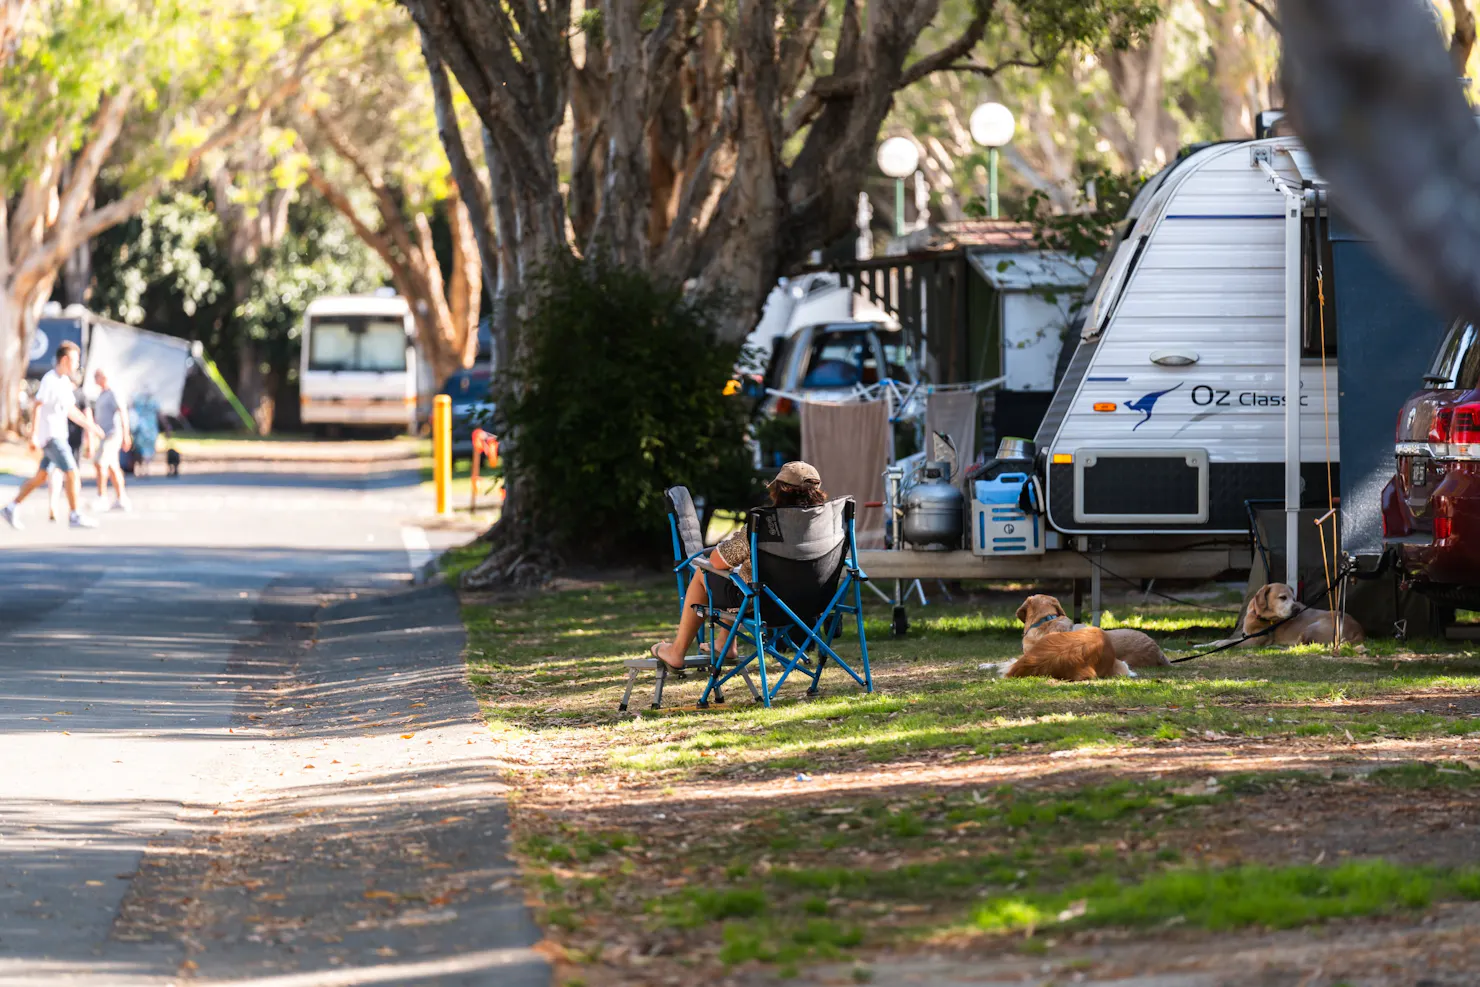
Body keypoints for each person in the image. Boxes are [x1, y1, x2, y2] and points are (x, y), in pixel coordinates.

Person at [650, 461, 827, 669]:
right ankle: (724, 643)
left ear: (783, 489)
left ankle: (677, 652)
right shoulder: (826, 525)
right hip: (815, 603)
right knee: (740, 576)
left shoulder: (764, 523)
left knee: (703, 572)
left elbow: (717, 561)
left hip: (765, 605)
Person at [1, 342, 104, 530]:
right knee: (72, 472)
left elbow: (71, 410)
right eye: (74, 360)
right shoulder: (51, 379)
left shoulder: (64, 382)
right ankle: (74, 514)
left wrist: (91, 426)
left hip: (59, 435)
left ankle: (11, 506)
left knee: (41, 477)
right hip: (51, 437)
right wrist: (33, 435)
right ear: (65, 360)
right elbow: (38, 405)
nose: (76, 365)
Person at [49, 378, 92, 521]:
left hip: (60, 437)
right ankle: (74, 507)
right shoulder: (78, 394)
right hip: (68, 438)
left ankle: (54, 504)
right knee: (72, 473)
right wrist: (90, 435)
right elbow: (85, 416)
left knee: (57, 471)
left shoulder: (63, 392)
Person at [91, 369, 132, 511]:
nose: (95, 379)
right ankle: (122, 498)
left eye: (97, 376)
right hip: (103, 434)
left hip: (112, 434)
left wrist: (126, 434)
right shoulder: (101, 395)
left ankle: (101, 497)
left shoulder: (113, 392)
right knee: (113, 466)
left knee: (100, 462)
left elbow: (123, 412)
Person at [130, 389, 161, 476]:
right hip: (149, 429)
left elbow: (131, 411)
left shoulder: (137, 400)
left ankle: (141, 468)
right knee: (146, 449)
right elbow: (160, 414)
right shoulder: (153, 402)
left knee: (140, 449)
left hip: (141, 429)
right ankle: (145, 468)